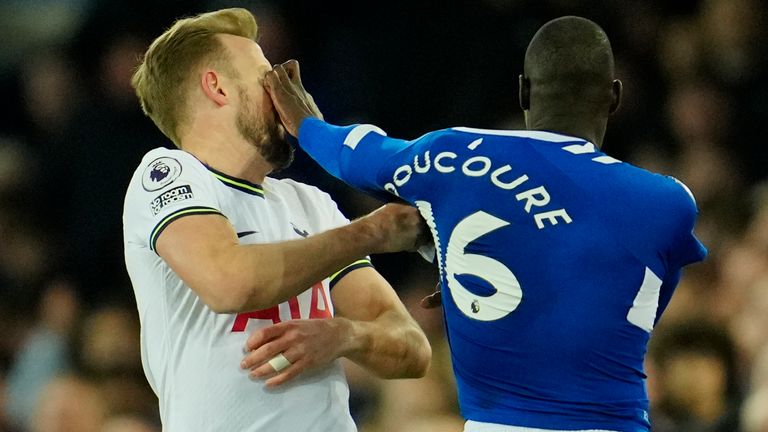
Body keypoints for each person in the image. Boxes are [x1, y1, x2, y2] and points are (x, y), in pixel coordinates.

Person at [264, 16, 707, 432]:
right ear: (614, 96)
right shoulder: (668, 202)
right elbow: (634, 305)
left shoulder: (450, 154)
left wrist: (305, 123)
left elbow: (349, 154)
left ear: (523, 91)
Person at [123, 8, 432, 432]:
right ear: (216, 87)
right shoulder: (167, 175)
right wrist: (370, 232)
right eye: (267, 78)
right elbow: (230, 282)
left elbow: (413, 349)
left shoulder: (310, 204)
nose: (286, 95)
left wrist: (345, 335)